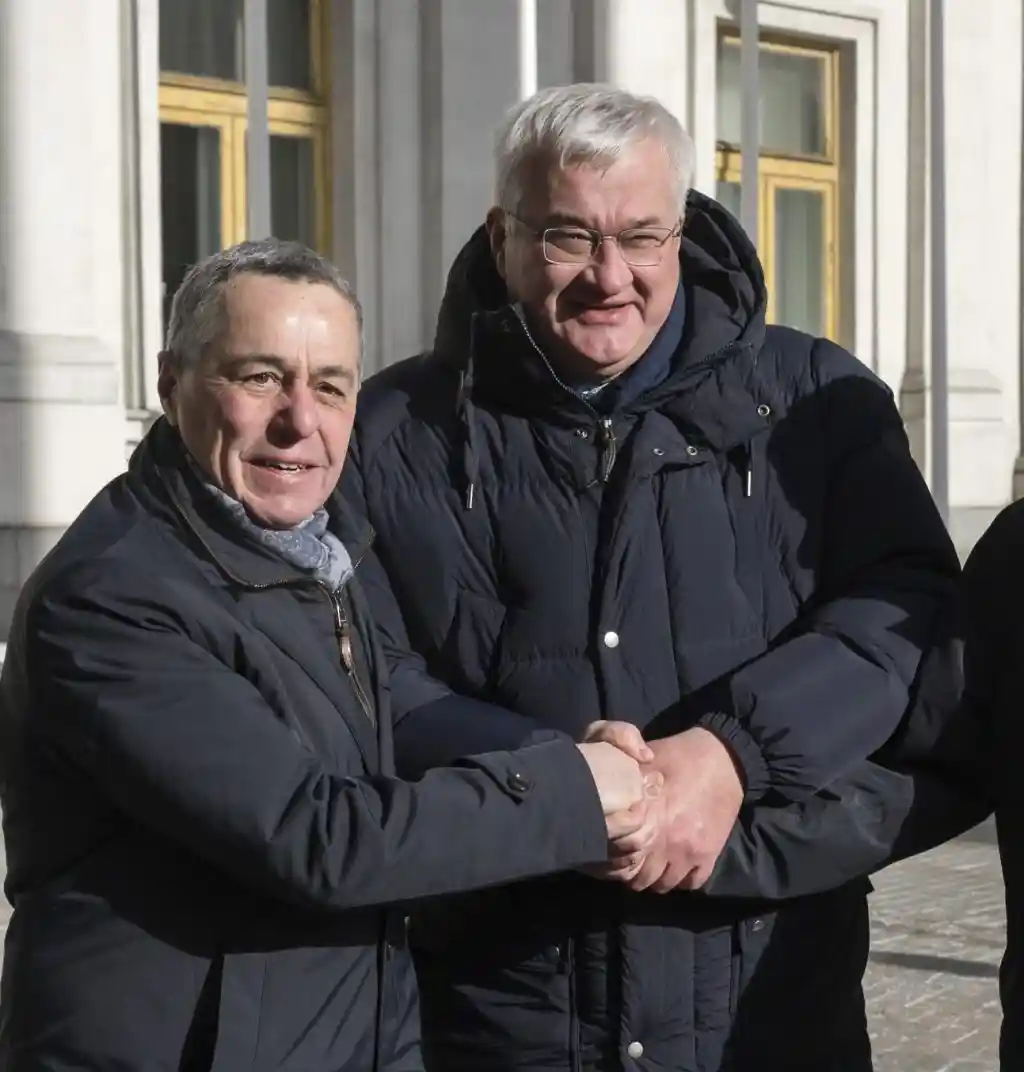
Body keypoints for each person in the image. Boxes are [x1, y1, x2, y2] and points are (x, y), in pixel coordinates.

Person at [341, 84, 970, 1070]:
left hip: (766, 1009)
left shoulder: (818, 402)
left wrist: (732, 754)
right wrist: (563, 782)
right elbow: (365, 675)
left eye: (641, 237)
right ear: (502, 237)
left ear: (682, 231)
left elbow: (904, 616)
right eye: (568, 236)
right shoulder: (387, 434)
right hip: (502, 1012)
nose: (610, 276)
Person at [0, 240, 654, 1072]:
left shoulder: (313, 551)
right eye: (261, 377)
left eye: (333, 387)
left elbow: (386, 714)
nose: (301, 421)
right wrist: (570, 793)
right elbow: (320, 838)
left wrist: (557, 753)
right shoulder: (112, 597)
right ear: (171, 384)